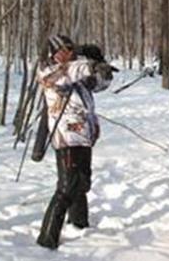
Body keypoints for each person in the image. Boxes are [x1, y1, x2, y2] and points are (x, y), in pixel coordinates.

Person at [36, 34, 113, 249]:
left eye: (71, 49)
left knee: (82, 183)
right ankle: (47, 238)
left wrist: (103, 69)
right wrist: (90, 64)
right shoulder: (49, 71)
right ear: (55, 53)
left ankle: (79, 223)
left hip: (84, 136)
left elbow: (98, 85)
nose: (69, 53)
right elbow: (69, 73)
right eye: (65, 50)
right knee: (66, 187)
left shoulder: (77, 71)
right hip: (66, 136)